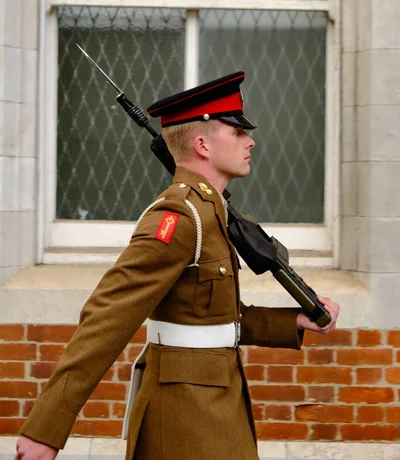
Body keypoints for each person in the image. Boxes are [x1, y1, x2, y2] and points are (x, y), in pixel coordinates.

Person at [15, 71, 339, 460]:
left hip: (215, 401)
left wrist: (293, 322)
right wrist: (46, 430)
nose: (250, 140)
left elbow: (208, 317)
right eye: (237, 132)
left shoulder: (212, 212)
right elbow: (106, 318)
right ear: (202, 144)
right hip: (186, 415)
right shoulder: (179, 217)